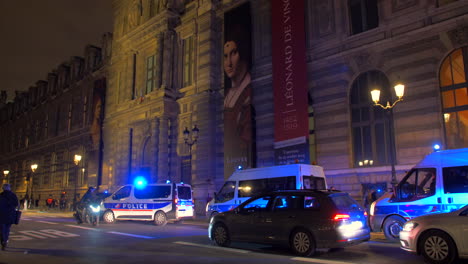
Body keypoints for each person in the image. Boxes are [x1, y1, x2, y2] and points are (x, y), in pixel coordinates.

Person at [223, 21, 254, 176]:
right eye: (225, 56)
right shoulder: (227, 94)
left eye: (233, 53)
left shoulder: (248, 93)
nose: (228, 62)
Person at [0, 184, 19, 250]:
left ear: (3, 188)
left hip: (1, 215)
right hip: (10, 215)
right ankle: (5, 240)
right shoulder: (13, 195)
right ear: (9, 188)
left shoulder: (1, 195)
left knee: (2, 229)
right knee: (7, 229)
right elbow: (16, 204)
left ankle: (3, 241)